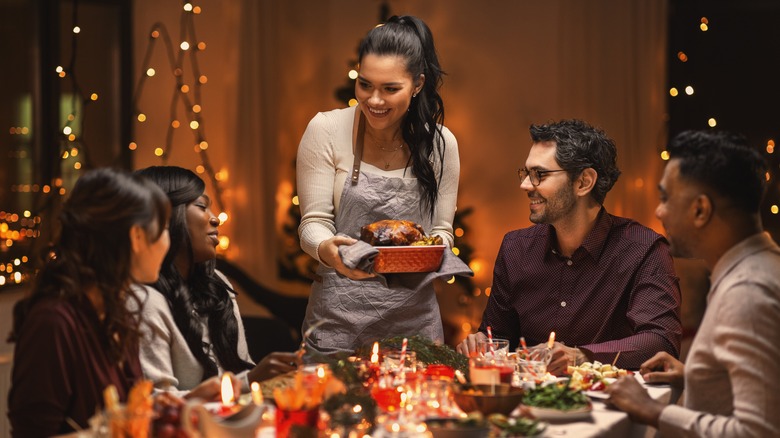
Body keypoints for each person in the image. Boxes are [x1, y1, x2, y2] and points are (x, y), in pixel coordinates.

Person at [457, 119, 682, 375]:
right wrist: (482, 342)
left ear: (584, 182)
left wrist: (580, 356)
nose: (525, 185)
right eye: (526, 173)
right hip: (529, 402)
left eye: (539, 174)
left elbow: (660, 341)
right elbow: (498, 336)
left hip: (611, 404)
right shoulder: (516, 248)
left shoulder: (643, 250)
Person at [296, 15, 460, 354]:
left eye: (390, 89)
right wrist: (329, 251)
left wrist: (421, 256)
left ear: (417, 85)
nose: (374, 100)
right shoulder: (326, 129)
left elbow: (442, 232)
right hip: (337, 321)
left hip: (414, 327)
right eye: (365, 84)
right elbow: (313, 223)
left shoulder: (441, 144)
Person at [605, 130, 780, 437]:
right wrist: (696, 377)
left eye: (665, 198)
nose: (658, 211)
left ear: (700, 210)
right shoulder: (763, 265)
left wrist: (655, 411)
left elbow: (758, 432)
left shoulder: (747, 292)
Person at [7, 168, 171, 436]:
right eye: (164, 228)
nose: (168, 240)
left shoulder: (117, 311)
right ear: (137, 237)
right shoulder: (54, 323)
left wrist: (191, 400)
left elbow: (126, 416)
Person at [132, 166, 299, 398]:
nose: (215, 218)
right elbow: (156, 402)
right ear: (166, 218)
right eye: (202, 206)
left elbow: (240, 373)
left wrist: (256, 379)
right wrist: (248, 381)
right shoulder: (143, 301)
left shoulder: (216, 283)